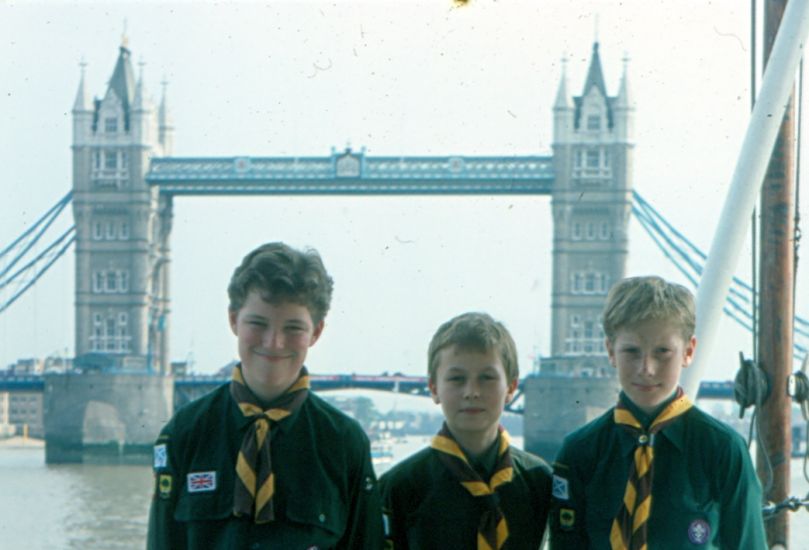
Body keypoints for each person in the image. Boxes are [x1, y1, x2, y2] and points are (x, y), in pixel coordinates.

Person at [147, 242, 383, 549]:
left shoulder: (344, 443)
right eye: (258, 323)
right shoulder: (184, 433)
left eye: (293, 328)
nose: (274, 343)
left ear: (317, 331)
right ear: (233, 320)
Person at [549, 276, 766, 549]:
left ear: (688, 352)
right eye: (631, 351)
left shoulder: (723, 450)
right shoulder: (580, 452)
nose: (646, 368)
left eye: (662, 352)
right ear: (610, 351)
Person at [379, 312, 553, 549]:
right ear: (433, 388)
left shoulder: (538, 480)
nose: (472, 392)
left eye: (487, 377)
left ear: (511, 387)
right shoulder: (399, 487)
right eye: (457, 379)